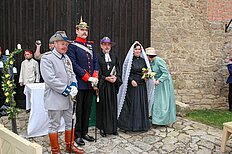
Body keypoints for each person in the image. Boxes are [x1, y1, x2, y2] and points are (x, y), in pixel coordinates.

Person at [40, 31, 84, 154]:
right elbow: (50, 79)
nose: (65, 46)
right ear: (55, 44)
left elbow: (72, 74)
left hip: (69, 98)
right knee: (54, 124)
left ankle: (70, 145)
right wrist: (68, 89)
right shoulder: (47, 58)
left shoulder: (66, 58)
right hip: (55, 98)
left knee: (70, 122)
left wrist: (74, 84)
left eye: (66, 44)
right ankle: (55, 150)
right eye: (62, 43)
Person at [67, 17, 99, 146]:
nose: (84, 32)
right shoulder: (72, 46)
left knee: (87, 110)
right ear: (76, 31)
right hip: (80, 83)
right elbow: (73, 64)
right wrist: (87, 77)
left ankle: (85, 132)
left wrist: (95, 75)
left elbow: (95, 61)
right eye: (81, 30)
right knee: (79, 111)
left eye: (86, 30)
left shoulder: (90, 46)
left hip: (90, 84)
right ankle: (77, 135)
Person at [117, 41, 152, 132]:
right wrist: (131, 80)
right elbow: (125, 74)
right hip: (132, 85)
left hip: (141, 85)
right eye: (136, 49)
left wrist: (146, 77)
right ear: (133, 50)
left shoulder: (143, 61)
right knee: (132, 105)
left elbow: (146, 71)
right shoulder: (129, 61)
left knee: (141, 105)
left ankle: (141, 125)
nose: (137, 51)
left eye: (139, 49)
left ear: (141, 51)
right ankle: (129, 126)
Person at [96, 37, 122, 137]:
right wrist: (105, 78)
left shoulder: (114, 57)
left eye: (109, 45)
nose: (107, 46)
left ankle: (113, 128)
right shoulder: (98, 57)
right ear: (101, 45)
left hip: (112, 86)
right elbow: (97, 72)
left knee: (112, 106)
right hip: (103, 86)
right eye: (105, 44)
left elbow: (118, 70)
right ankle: (103, 128)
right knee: (103, 107)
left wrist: (116, 78)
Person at [146, 47, 176, 125]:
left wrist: (159, 80)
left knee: (162, 101)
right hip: (156, 82)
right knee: (155, 100)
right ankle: (156, 119)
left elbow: (166, 73)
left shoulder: (159, 61)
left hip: (164, 82)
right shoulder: (151, 62)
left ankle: (163, 119)